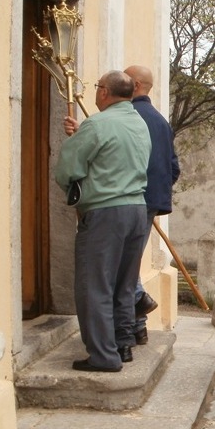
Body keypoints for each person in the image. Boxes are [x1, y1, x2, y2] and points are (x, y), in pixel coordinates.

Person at [56, 70, 151, 372]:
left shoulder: (98, 124)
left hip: (106, 213)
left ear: (104, 93)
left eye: (97, 87)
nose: (96, 92)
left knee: (94, 285)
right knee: (123, 285)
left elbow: (68, 168)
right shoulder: (139, 123)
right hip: (136, 209)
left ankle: (103, 355)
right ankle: (122, 344)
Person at [124, 65, 181, 345]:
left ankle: (137, 300)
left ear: (134, 85)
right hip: (150, 201)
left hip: (128, 198)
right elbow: (173, 167)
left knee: (124, 263)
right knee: (131, 260)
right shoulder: (161, 121)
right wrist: (157, 192)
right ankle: (139, 327)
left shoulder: (128, 116)